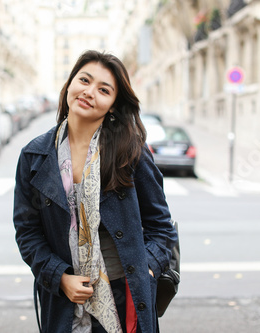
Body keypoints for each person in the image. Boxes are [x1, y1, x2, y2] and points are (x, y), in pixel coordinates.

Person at [13, 50, 177, 333]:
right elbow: (27, 232)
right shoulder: (34, 156)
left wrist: (143, 271)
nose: (89, 92)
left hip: (125, 298)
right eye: (84, 80)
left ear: (113, 105)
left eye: (103, 90)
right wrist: (59, 276)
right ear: (69, 84)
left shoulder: (131, 153)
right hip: (65, 302)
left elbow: (161, 229)